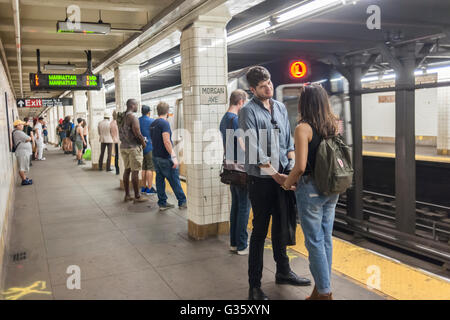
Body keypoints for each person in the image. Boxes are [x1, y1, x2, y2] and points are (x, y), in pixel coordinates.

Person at [238, 66, 311, 300]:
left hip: (283, 176)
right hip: (261, 181)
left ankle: (284, 271)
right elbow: (252, 148)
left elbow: (288, 141)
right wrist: (275, 175)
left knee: (282, 226)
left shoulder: (279, 107)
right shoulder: (247, 112)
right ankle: (254, 286)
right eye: (262, 86)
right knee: (259, 231)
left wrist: (289, 168)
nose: (268, 87)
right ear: (252, 90)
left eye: (269, 82)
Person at [282, 84, 340, 300]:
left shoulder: (303, 128)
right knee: (325, 239)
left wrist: (287, 184)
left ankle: (325, 293)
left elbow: (300, 166)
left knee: (314, 241)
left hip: (311, 189)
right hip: (331, 188)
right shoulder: (333, 124)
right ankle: (319, 289)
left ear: (303, 103)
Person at [219, 89, 250, 255]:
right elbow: (243, 144)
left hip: (231, 168)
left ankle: (233, 243)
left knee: (236, 205)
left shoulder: (224, 119)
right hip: (242, 170)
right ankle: (242, 245)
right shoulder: (236, 120)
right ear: (241, 102)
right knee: (244, 206)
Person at [150, 101, 186, 211]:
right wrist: (174, 157)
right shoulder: (164, 123)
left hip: (156, 156)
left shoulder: (153, 123)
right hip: (165, 158)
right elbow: (166, 141)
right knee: (174, 179)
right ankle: (182, 202)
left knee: (159, 180)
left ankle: (162, 203)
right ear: (167, 111)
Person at [119, 99, 148, 203]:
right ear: (132, 105)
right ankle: (137, 196)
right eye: (136, 105)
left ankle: (127, 195)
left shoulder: (121, 116)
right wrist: (143, 143)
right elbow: (137, 132)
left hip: (123, 146)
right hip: (133, 147)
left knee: (127, 170)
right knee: (135, 172)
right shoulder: (133, 117)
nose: (138, 107)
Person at [139, 105, 157, 195]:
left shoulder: (138, 120)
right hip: (150, 147)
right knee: (150, 168)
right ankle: (150, 188)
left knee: (144, 168)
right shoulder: (152, 121)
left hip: (141, 148)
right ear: (149, 112)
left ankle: (143, 188)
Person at [12, 120, 33, 185]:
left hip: (23, 152)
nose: (23, 126)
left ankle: (25, 178)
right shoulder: (18, 132)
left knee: (23, 166)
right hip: (22, 152)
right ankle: (24, 180)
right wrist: (28, 138)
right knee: (22, 167)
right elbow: (29, 138)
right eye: (21, 124)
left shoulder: (18, 132)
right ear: (17, 126)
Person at [111, 111, 120, 175]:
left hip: (114, 141)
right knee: (120, 156)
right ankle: (121, 169)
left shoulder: (111, 123)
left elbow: (110, 132)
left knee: (116, 156)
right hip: (119, 141)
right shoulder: (118, 123)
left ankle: (117, 170)